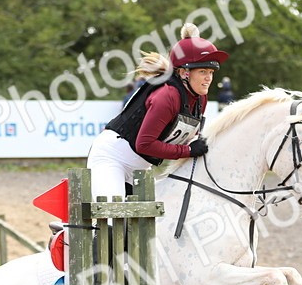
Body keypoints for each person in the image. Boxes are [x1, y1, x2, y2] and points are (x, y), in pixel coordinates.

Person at [88, 22, 228, 198]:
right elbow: (145, 144)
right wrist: (188, 151)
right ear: (185, 72)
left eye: (211, 72)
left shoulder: (200, 97)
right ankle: (67, 227)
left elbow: (185, 138)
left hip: (142, 165)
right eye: (202, 72)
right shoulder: (167, 96)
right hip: (112, 157)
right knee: (111, 218)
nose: (209, 78)